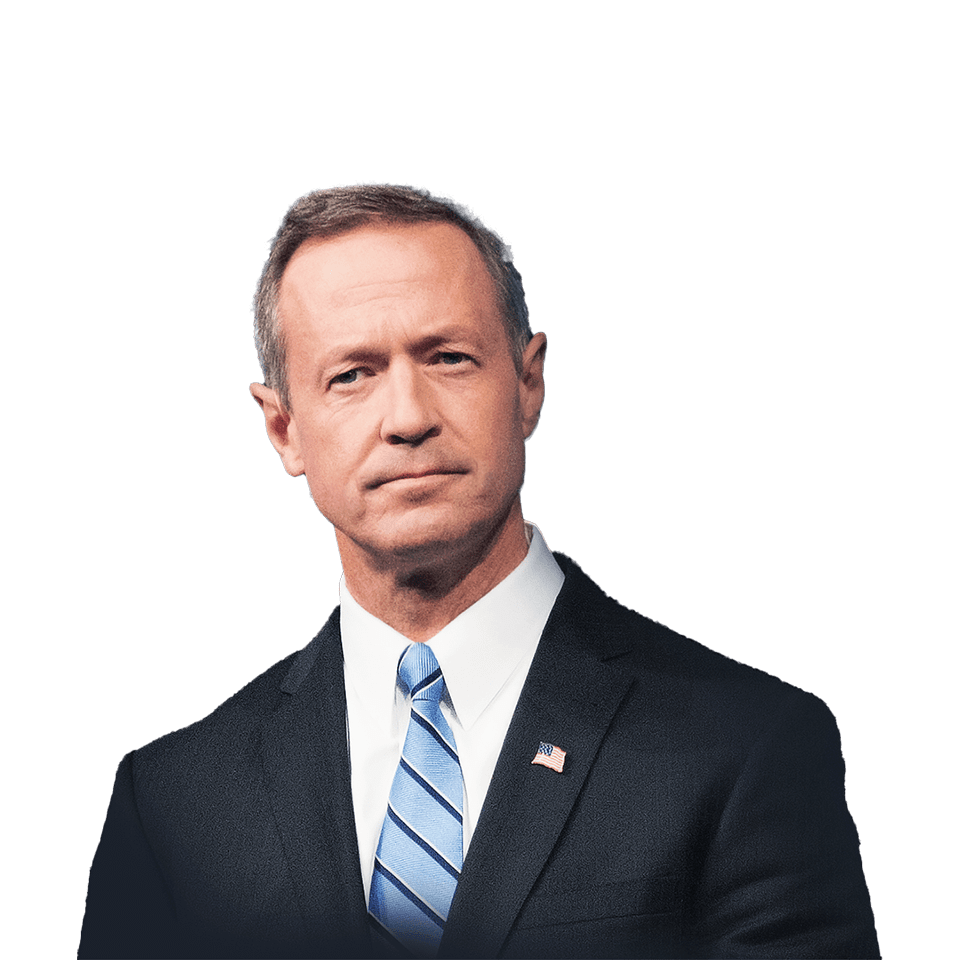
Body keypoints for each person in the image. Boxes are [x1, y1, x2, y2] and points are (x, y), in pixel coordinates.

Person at [79, 183, 881, 959]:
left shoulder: (746, 746)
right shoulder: (173, 804)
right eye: (351, 374)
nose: (408, 418)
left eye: (450, 357)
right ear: (283, 428)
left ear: (528, 383)